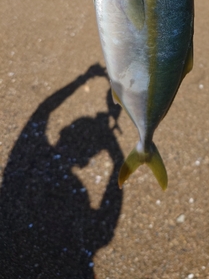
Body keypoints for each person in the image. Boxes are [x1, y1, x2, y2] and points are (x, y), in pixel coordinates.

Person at [0, 64, 123, 278]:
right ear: (86, 161)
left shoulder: (24, 165)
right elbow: (105, 227)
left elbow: (43, 110)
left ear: (63, 133)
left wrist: (82, 79)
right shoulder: (22, 166)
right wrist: (118, 159)